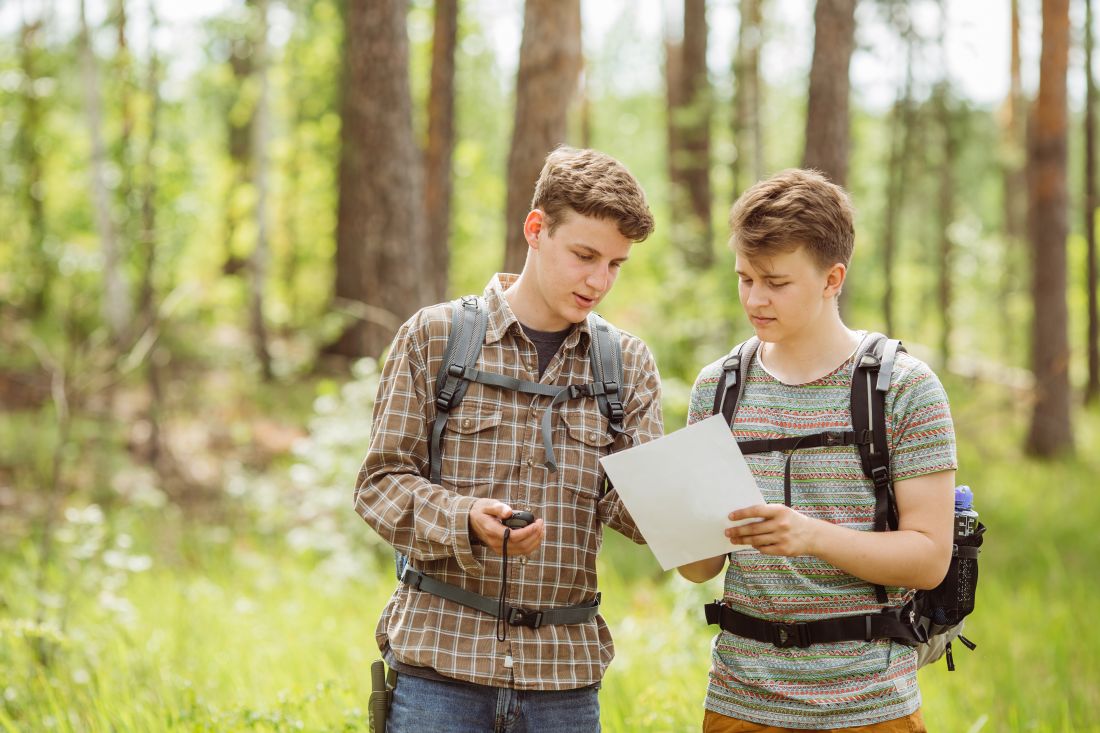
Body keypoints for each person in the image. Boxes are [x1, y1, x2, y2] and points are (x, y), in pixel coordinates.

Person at [355, 146, 663, 732]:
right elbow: (379, 485)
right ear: (535, 229)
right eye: (584, 255)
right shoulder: (437, 337)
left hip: (564, 686)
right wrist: (465, 519)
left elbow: (637, 517)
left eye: (616, 265)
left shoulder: (626, 364)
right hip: (438, 673)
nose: (599, 281)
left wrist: (702, 502)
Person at [678, 169, 957, 732]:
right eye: (745, 278)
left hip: (871, 704)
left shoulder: (904, 387)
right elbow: (699, 566)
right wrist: (675, 517)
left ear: (833, 279)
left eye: (776, 282)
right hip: (740, 702)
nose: (755, 298)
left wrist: (809, 536)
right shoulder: (719, 387)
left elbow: (929, 559)